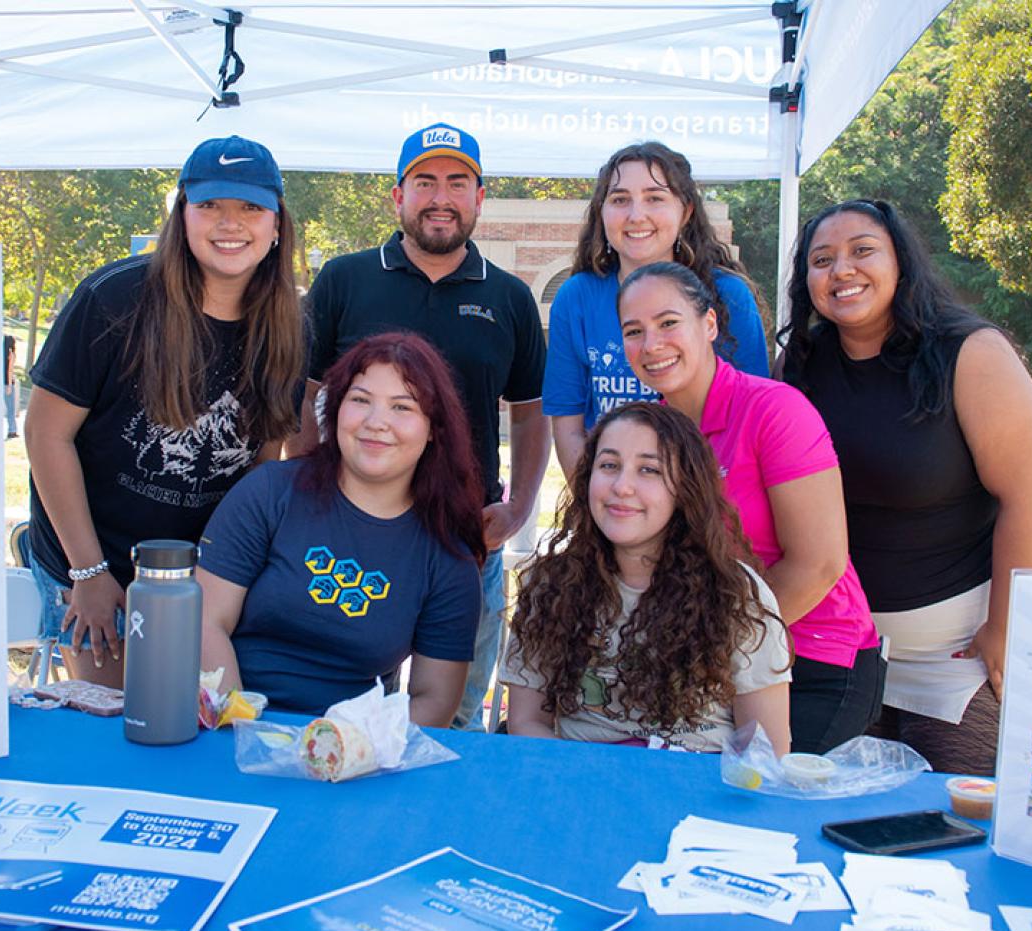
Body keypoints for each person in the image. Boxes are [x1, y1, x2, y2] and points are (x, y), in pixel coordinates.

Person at [779, 199, 1032, 776]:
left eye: (862, 251)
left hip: (952, 654)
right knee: (832, 818)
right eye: (821, 260)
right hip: (839, 652)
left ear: (900, 260)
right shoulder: (800, 365)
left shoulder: (971, 354)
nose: (842, 270)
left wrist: (1005, 628)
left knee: (961, 818)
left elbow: (1025, 499)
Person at [290, 122, 548, 732]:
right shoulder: (344, 280)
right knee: (350, 713)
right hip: (354, 534)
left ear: (479, 198)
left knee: (453, 720)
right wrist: (300, 492)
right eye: (425, 181)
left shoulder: (508, 297)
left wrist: (520, 507)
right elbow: (304, 397)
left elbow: (532, 409)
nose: (441, 197)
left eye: (458, 182)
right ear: (397, 196)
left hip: (466, 536)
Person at [26, 135, 304, 689]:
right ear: (182, 215)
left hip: (197, 576)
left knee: (199, 722)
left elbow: (264, 459)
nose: (230, 224)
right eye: (210, 206)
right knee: (111, 728)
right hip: (89, 558)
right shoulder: (114, 298)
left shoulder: (291, 322)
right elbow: (44, 435)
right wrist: (89, 572)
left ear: (277, 224)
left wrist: (220, 575)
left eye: (250, 207)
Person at [617, 261, 883, 754]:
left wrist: (709, 652)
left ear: (711, 324)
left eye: (668, 322)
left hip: (813, 660)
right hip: (705, 660)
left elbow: (819, 564)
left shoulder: (774, 411)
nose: (651, 344)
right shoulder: (646, 432)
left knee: (759, 807)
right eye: (634, 331)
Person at [198, 333, 485, 723]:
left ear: (434, 429)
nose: (376, 422)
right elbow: (205, 622)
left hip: (353, 754)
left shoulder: (447, 554)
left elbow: (434, 699)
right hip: (231, 729)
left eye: (402, 407)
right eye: (360, 400)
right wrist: (242, 729)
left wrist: (345, 751)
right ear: (334, 410)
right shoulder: (269, 493)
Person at [501, 403, 791, 752]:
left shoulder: (735, 593)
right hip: (578, 784)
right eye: (609, 465)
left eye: (649, 470)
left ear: (685, 488)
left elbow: (766, 750)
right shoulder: (550, 586)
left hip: (697, 793)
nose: (622, 486)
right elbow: (525, 722)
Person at [546, 142, 768, 479]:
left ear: (686, 211)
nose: (636, 215)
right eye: (620, 200)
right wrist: (600, 509)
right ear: (601, 212)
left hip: (708, 501)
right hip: (615, 503)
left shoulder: (728, 296)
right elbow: (568, 424)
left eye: (655, 198)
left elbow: (754, 418)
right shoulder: (576, 297)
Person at [3, 334, 19, 439]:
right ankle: (12, 430)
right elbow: (10, 370)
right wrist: (9, 385)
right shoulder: (11, 354)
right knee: (10, 409)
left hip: (0, 382)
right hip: (8, 384)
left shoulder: (1, 354)